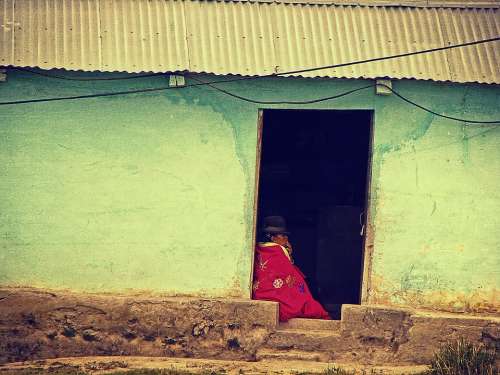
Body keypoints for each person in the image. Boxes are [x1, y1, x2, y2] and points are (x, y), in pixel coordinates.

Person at [252, 215, 330, 322]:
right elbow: (287, 273)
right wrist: (287, 252)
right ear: (271, 236)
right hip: (275, 293)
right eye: (282, 235)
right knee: (307, 301)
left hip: (259, 293)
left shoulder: (257, 247)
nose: (286, 238)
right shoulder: (278, 250)